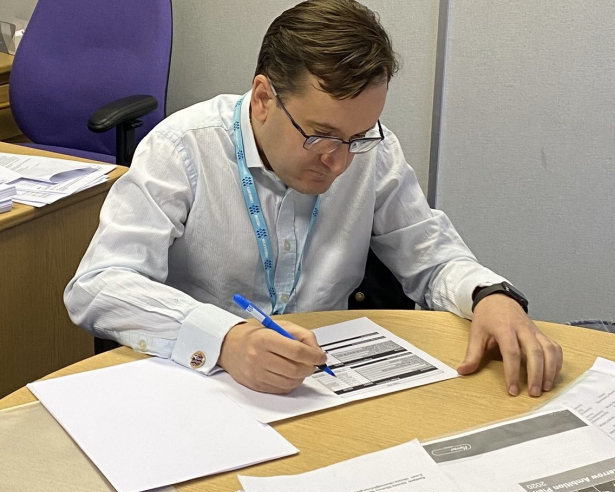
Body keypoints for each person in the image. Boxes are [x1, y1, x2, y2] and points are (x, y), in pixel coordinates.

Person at [64, 0, 562, 397]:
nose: (341, 161)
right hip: (205, 384)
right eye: (320, 135)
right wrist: (226, 339)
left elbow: (431, 256)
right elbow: (98, 284)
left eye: (358, 136)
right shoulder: (184, 147)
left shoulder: (371, 147)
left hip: (326, 384)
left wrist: (489, 296)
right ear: (263, 99)